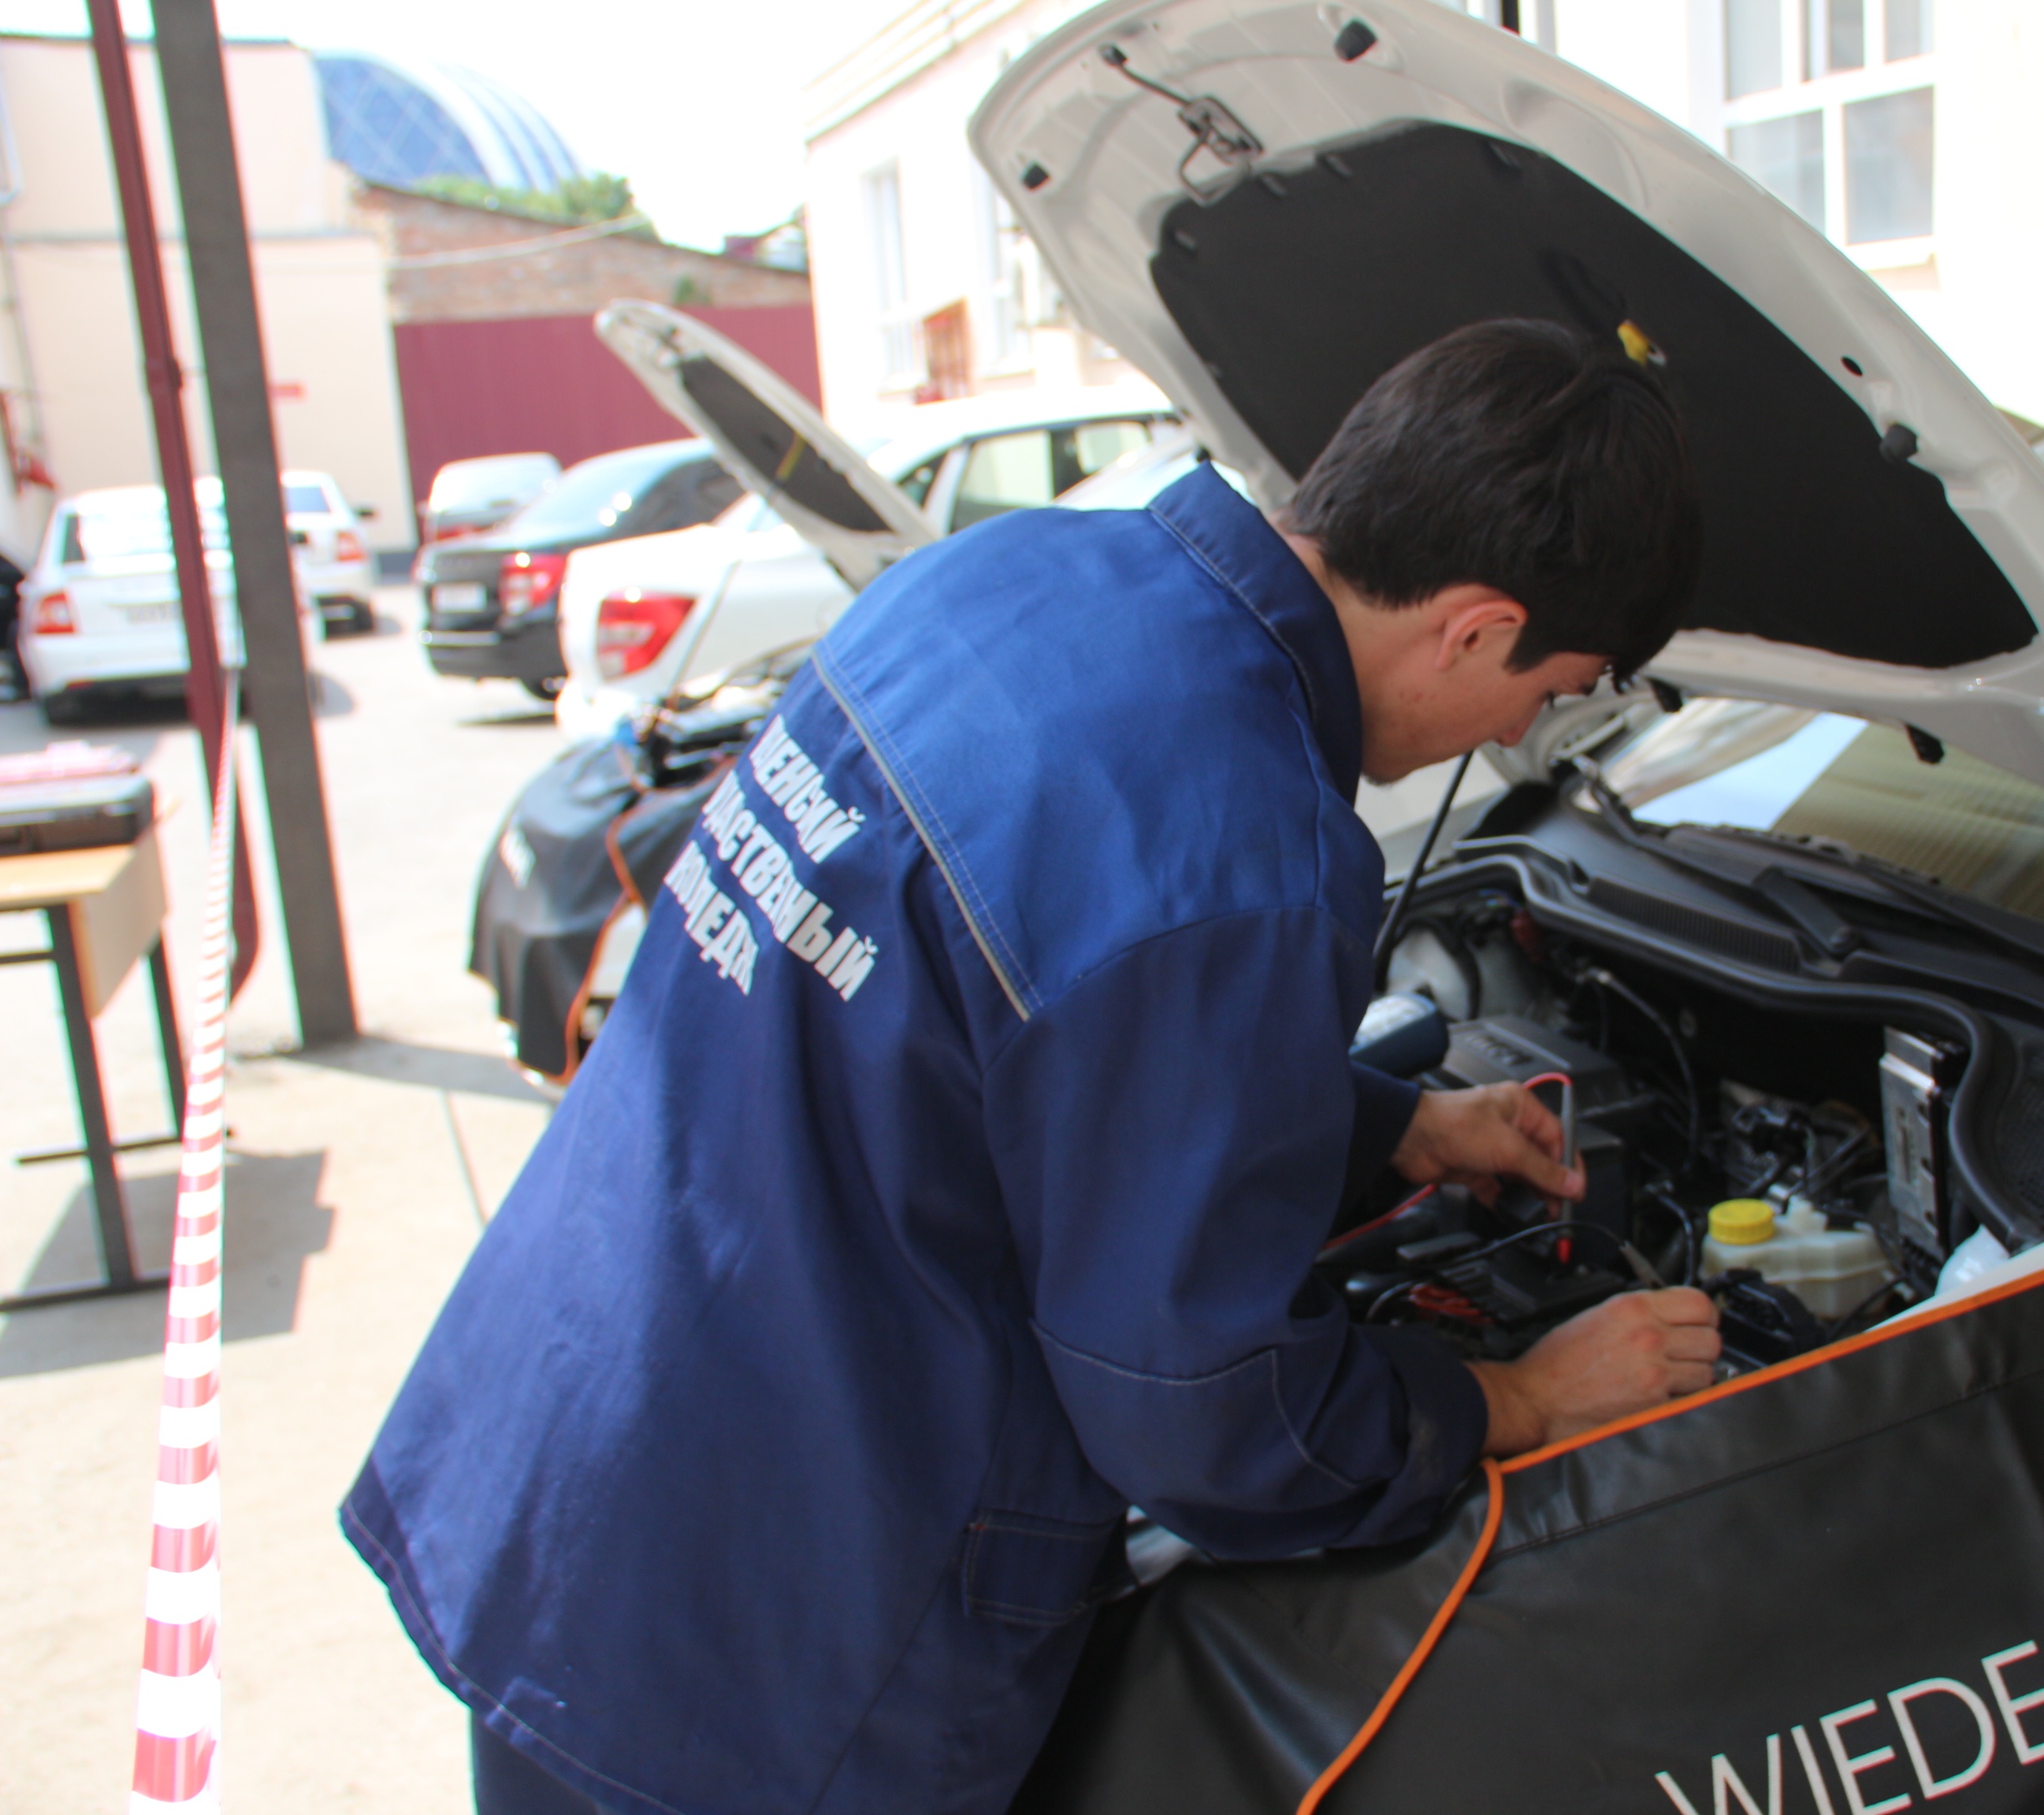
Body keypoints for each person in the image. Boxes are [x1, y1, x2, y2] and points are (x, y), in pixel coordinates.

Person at [344, 319, 1719, 1815]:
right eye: (1552, 687)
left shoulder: (1005, 577)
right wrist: (1515, 1398)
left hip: (575, 1439)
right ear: (1473, 627)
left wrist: (1390, 1127)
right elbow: (1202, 1410)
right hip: (771, 1630)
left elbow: (980, 1051)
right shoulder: (1234, 847)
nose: (1523, 729)